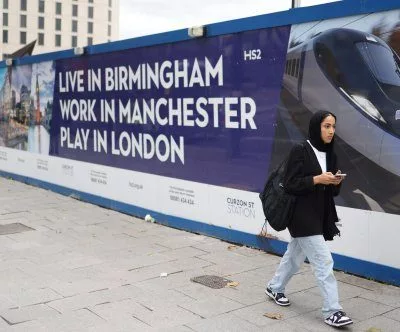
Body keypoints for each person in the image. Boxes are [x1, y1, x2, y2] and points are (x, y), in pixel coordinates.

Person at [265, 111, 353, 328]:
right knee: (324, 261)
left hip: (319, 214)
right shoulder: (300, 150)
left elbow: (331, 193)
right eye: (326, 126)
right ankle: (332, 310)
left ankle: (274, 287)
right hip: (301, 215)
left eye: (333, 126)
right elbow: (291, 183)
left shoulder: (330, 154)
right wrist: (317, 179)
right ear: (316, 127)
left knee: (294, 256)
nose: (331, 131)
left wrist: (335, 181)